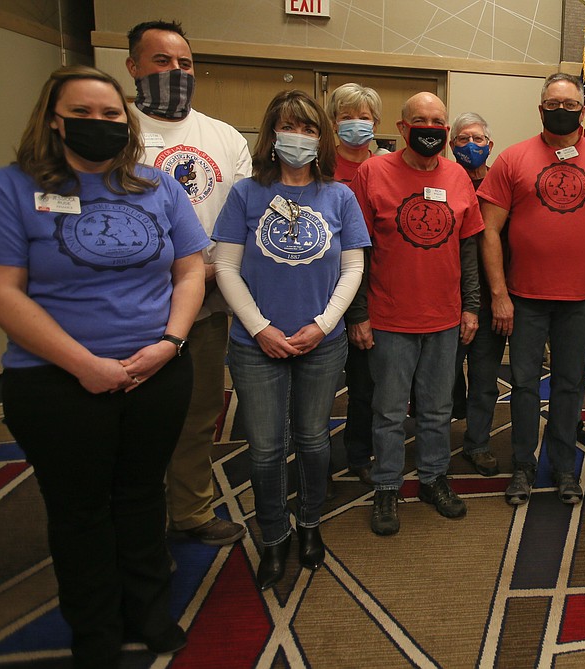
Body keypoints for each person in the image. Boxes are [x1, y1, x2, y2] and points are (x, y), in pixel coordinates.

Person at [0, 65, 208, 666]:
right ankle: (93, 627)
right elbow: (7, 291)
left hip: (157, 368)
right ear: (53, 120)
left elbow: (191, 269)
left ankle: (148, 610)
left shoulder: (157, 186)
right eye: (83, 115)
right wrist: (84, 364)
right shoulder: (15, 188)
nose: (100, 124)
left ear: (128, 120)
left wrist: (170, 342)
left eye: (111, 115)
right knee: (79, 507)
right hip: (55, 379)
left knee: (142, 495)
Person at [213, 90, 370, 589]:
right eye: (288, 127)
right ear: (270, 134)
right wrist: (260, 328)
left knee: (313, 440)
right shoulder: (245, 194)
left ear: (320, 138)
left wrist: (323, 325)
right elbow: (225, 265)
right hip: (256, 344)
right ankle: (275, 535)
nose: (298, 137)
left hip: (320, 343)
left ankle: (309, 526)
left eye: (307, 129)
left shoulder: (339, 195)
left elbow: (353, 267)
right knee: (264, 448)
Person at [125, 20, 251, 546]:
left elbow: (244, 217)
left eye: (184, 63)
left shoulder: (223, 137)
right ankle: (135, 519)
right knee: (133, 421)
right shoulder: (117, 129)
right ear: (133, 67)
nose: (175, 72)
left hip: (207, 303)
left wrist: (206, 271)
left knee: (199, 412)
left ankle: (192, 510)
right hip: (134, 306)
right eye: (161, 61)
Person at [478, 73, 585, 505]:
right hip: (523, 298)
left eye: (570, 104)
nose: (562, 110)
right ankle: (522, 465)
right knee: (522, 385)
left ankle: (563, 467)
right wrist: (499, 294)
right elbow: (490, 233)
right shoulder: (512, 158)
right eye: (553, 103)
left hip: (580, 300)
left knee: (570, 385)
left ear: (584, 110)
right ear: (540, 109)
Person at [351, 92, 484, 536]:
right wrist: (359, 313)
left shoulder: (459, 177)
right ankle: (387, 486)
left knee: (436, 408)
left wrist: (471, 306)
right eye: (420, 120)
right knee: (388, 411)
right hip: (389, 317)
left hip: (444, 318)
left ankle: (432, 479)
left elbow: (469, 250)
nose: (431, 128)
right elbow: (357, 252)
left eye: (438, 121)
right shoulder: (373, 172)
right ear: (403, 127)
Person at [328, 82, 389, 487]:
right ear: (333, 123)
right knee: (318, 382)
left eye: (363, 118)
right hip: (322, 285)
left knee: (366, 382)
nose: (355, 124)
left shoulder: (388, 166)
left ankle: (358, 451)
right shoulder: (317, 166)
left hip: (372, 287)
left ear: (377, 123)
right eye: (347, 117)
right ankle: (309, 458)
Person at [450, 111, 505, 477]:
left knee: (485, 378)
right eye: (463, 139)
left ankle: (478, 443)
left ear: (490, 145)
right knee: (440, 379)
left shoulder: (500, 183)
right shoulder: (442, 181)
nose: (472, 146)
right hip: (445, 302)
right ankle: (434, 443)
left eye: (478, 139)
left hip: (491, 300)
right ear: (451, 145)